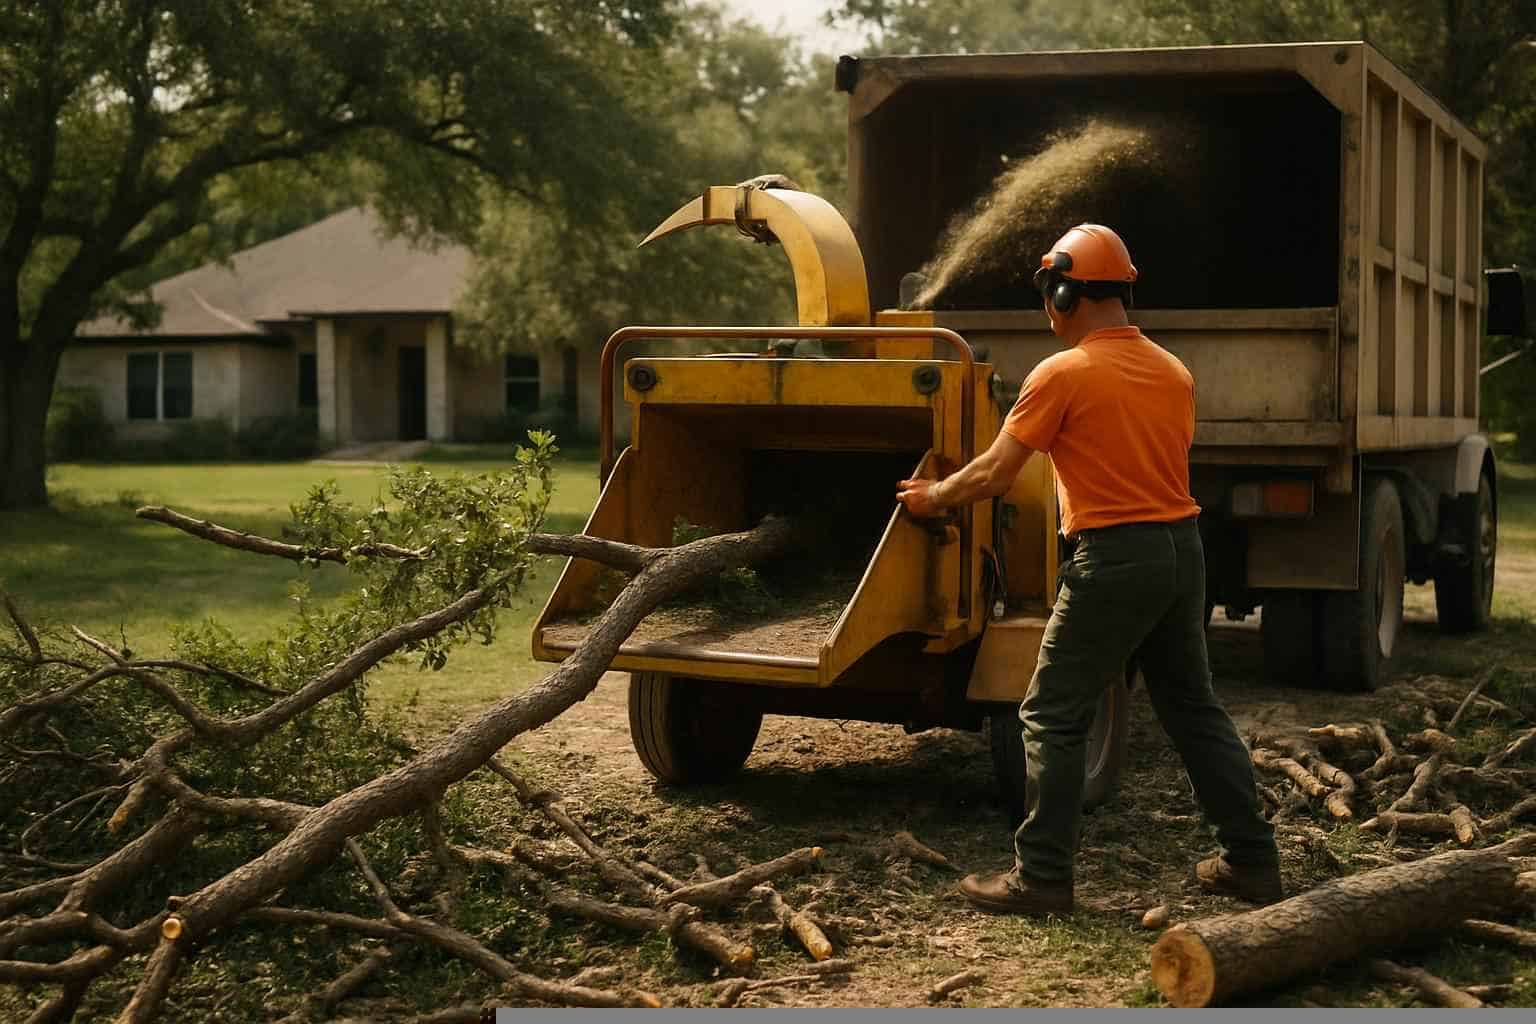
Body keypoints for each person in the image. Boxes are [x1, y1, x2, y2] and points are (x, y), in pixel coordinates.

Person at [895, 224, 1280, 916]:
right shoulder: (1173, 371)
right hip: (1182, 552)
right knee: (1193, 708)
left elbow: (995, 472)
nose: (1048, 309)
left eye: (1049, 293)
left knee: (1049, 711)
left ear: (1065, 291)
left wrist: (932, 498)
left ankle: (1041, 877)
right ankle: (1252, 862)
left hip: (1114, 557)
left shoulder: (1062, 372)